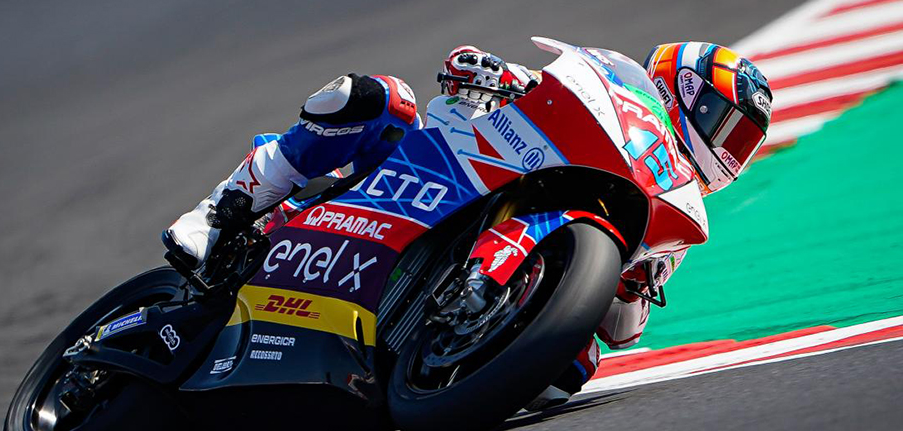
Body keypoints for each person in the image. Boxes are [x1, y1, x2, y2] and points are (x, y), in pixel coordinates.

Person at [163, 41, 773, 409]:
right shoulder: (589, 98)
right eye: (725, 126)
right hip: (425, 181)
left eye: (741, 142)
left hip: (471, 322)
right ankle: (218, 214)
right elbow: (459, 78)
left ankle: (450, 365)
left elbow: (623, 332)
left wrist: (632, 282)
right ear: (682, 90)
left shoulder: (666, 217)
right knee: (375, 97)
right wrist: (488, 75)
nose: (728, 149)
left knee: (574, 368)